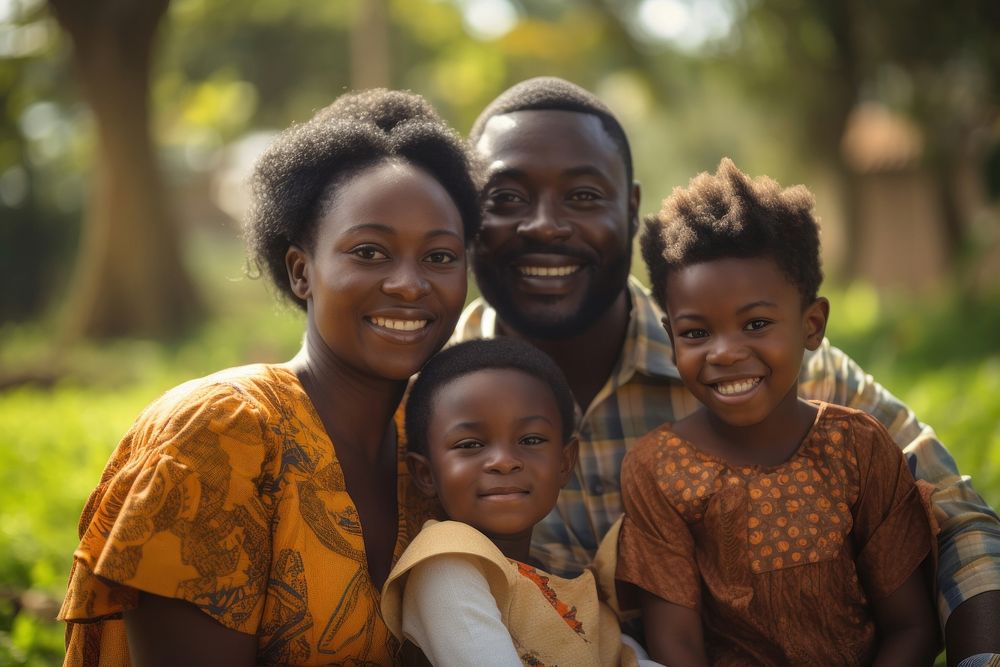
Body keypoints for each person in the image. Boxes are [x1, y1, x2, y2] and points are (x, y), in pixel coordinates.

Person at [453, 75, 1000, 663]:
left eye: (583, 195)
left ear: (631, 208)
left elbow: (954, 516)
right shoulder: (427, 406)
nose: (544, 225)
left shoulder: (784, 380)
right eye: (505, 199)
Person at [58, 89, 482, 666]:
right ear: (301, 271)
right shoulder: (217, 435)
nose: (410, 284)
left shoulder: (435, 443)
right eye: (370, 252)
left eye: (439, 257)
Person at [616, 158, 938, 665]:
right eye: (696, 333)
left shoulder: (858, 448)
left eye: (756, 323)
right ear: (670, 334)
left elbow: (914, 627)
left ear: (812, 324)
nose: (723, 352)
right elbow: (677, 647)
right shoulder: (659, 471)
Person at [381, 338, 644, 666]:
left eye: (530, 440)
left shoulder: (560, 579)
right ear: (425, 473)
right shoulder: (446, 564)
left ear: (565, 463)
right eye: (470, 444)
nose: (504, 462)